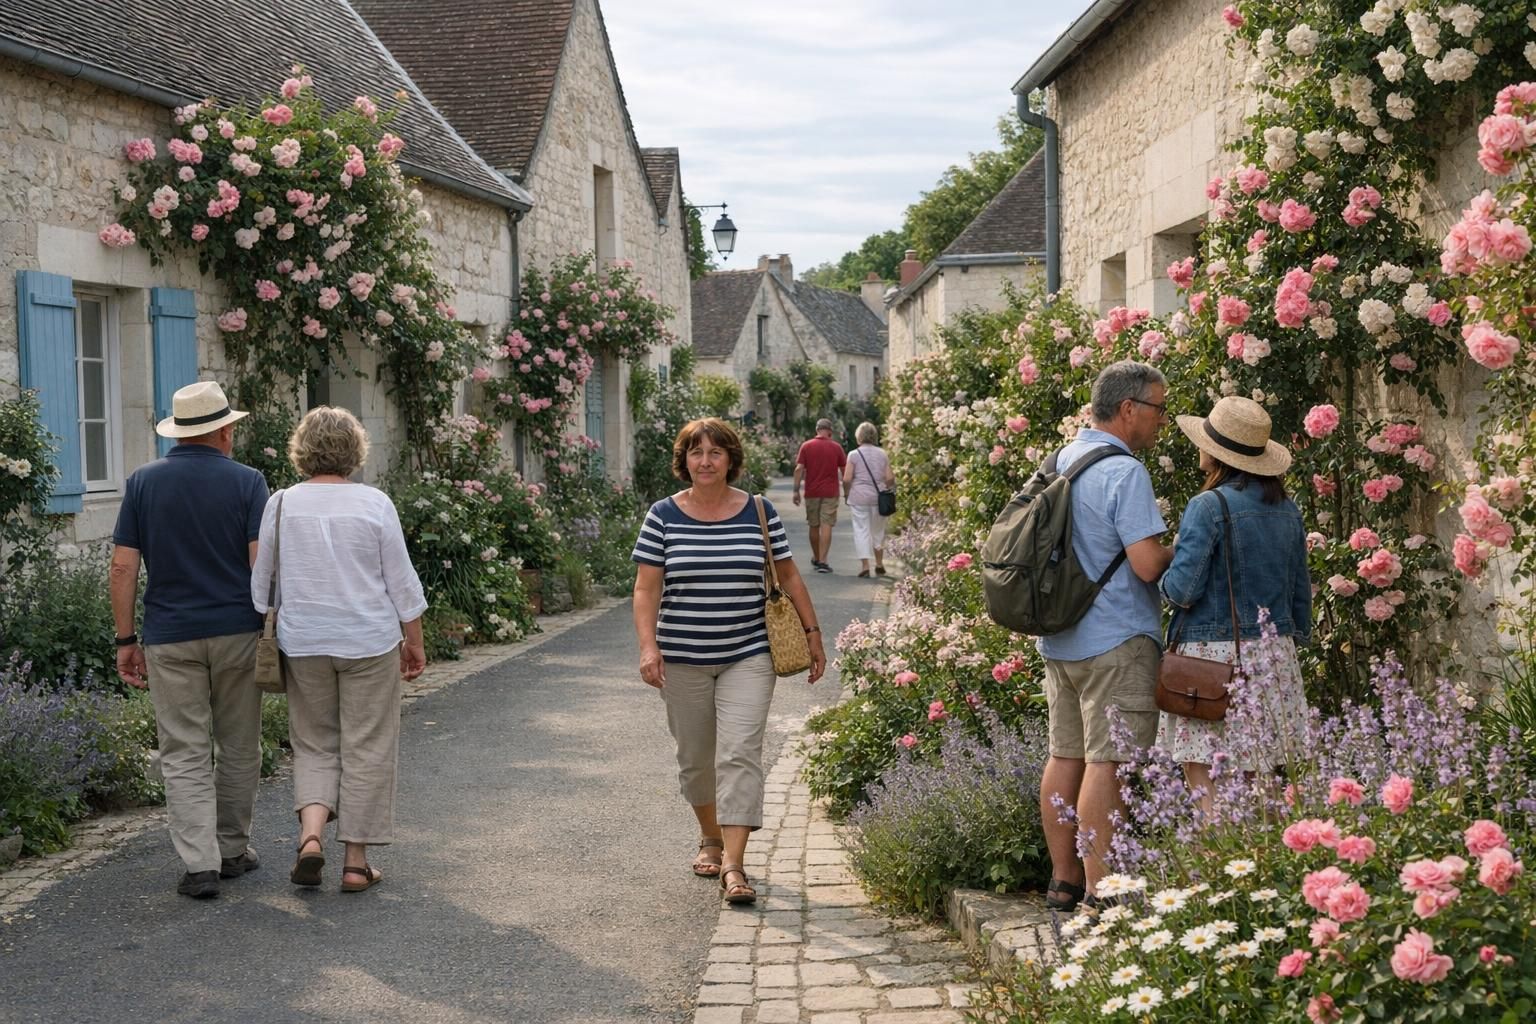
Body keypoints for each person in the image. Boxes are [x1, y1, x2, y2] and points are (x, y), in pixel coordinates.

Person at [632, 417, 826, 904]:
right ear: (684, 461)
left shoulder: (758, 511)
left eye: (715, 453)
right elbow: (645, 588)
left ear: (730, 459)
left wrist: (813, 635)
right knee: (696, 760)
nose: (705, 461)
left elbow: (790, 576)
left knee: (739, 754)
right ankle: (711, 837)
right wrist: (648, 646)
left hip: (749, 652)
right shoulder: (662, 516)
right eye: (696, 453)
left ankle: (735, 867)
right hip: (682, 656)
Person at [250, 407, 427, 894]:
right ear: (355, 451)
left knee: (313, 742)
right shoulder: (374, 504)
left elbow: (261, 586)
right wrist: (414, 641)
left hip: (304, 641)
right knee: (368, 745)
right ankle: (354, 863)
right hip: (368, 640)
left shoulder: (281, 503)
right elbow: (401, 582)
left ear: (302, 450)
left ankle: (310, 838)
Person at [110, 380, 269, 899]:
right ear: (224, 430)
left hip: (170, 635)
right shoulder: (249, 482)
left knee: (182, 749)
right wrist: (273, 627)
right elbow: (259, 565)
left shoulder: (142, 483)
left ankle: (198, 864)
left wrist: (125, 639)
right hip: (238, 631)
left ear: (178, 433)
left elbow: (122, 567)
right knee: (240, 743)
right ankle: (231, 850)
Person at [1036, 360, 1173, 913]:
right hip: (1116, 636)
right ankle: (1100, 890)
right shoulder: (1125, 471)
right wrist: (1178, 547)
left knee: (1064, 755)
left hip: (1060, 637)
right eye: (1159, 410)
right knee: (1106, 762)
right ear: (1128, 409)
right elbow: (1145, 565)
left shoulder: (1060, 459)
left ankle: (1063, 881)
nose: (1162, 421)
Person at [1157, 396, 1312, 813]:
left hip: (1213, 660)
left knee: (1205, 776)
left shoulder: (1208, 506)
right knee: (1259, 778)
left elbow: (1182, 591)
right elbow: (1300, 597)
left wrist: (1163, 571)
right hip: (1274, 656)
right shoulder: (1288, 510)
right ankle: (1259, 868)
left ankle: (1219, 871)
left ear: (1219, 453)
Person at [792, 417, 846, 573]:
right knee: (826, 524)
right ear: (830, 431)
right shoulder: (836, 447)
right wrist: (848, 491)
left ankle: (816, 557)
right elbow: (844, 470)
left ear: (816, 430)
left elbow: (798, 469)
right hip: (830, 492)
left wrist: (796, 491)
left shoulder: (806, 446)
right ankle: (823, 561)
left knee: (813, 525)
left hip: (812, 492)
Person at [841, 421, 894, 578]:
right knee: (878, 531)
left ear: (859, 437)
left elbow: (847, 479)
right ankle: (879, 564)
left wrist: (846, 493)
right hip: (879, 498)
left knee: (861, 530)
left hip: (859, 498)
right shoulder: (882, 454)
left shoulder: (853, 455)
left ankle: (865, 565)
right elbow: (890, 478)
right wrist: (885, 488)